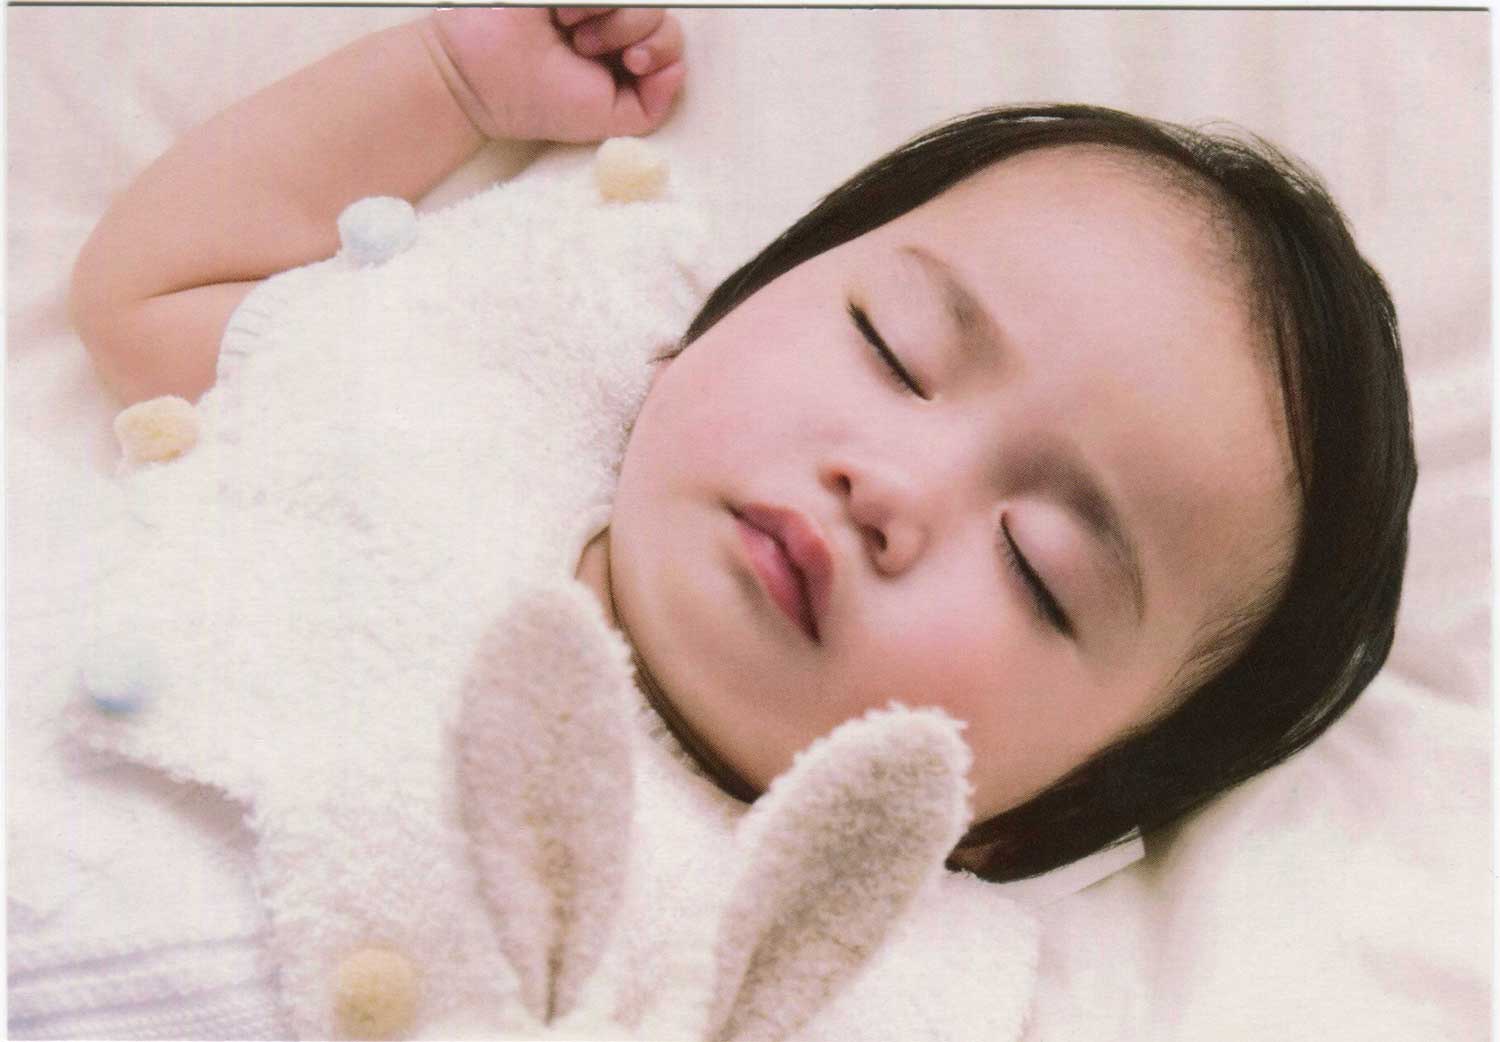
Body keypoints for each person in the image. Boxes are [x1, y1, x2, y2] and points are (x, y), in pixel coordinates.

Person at [69, 7, 1415, 883]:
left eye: (1040, 568)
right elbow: (154, 297)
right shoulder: (468, 393)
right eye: (893, 347)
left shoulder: (837, 961)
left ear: (1029, 823)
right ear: (719, 315)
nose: (891, 488)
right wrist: (452, 82)